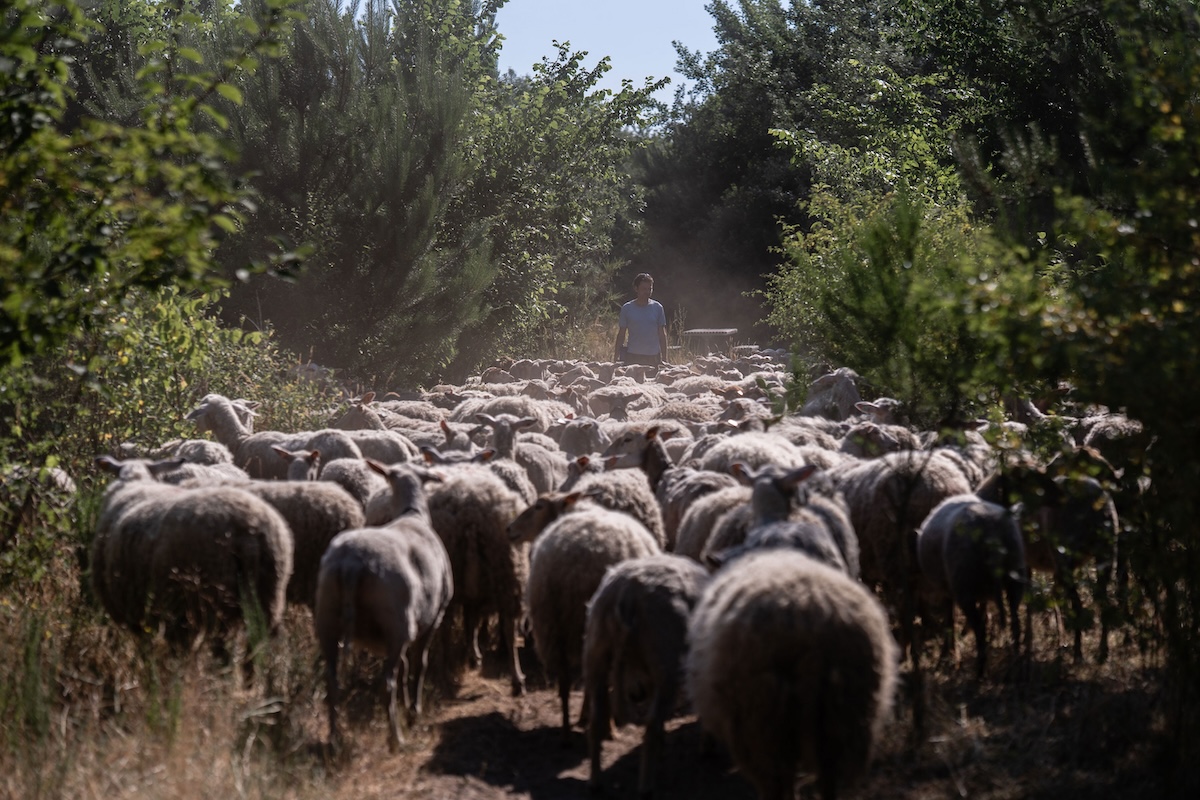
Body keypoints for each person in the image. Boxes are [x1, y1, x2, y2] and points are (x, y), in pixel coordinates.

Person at [614, 273, 669, 367]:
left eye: (649, 289)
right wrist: (616, 357)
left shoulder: (657, 308)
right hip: (633, 357)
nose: (647, 292)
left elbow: (662, 334)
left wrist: (665, 358)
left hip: (653, 357)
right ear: (636, 289)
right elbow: (621, 334)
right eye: (644, 289)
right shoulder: (627, 308)